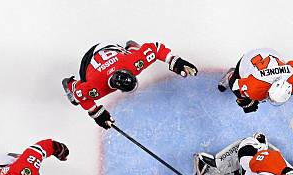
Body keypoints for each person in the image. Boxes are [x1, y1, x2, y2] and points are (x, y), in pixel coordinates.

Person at [62, 40, 197, 129]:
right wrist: (95, 112)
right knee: (81, 85)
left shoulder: (132, 65)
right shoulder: (95, 88)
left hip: (111, 49)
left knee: (133, 57)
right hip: (90, 58)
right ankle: (71, 83)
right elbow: (79, 96)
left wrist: (176, 62)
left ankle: (132, 49)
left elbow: (155, 49)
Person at [217, 48, 293, 113]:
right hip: (249, 58)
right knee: (237, 82)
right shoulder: (254, 88)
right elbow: (234, 84)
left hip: (270, 53)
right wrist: (244, 101)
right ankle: (231, 73)